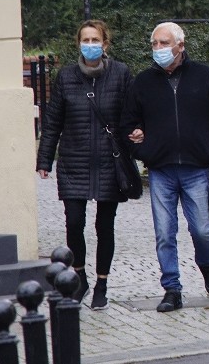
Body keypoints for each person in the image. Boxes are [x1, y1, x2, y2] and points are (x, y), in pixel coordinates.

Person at [120, 22, 209, 312]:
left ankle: (207, 265)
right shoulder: (144, 82)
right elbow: (128, 123)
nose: (158, 49)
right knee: (164, 233)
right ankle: (172, 288)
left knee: (202, 230)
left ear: (180, 46)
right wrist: (141, 148)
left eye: (164, 43)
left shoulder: (203, 75)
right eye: (154, 44)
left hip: (196, 168)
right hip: (161, 170)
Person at [36, 20, 133, 309]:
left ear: (106, 43)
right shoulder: (66, 76)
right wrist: (44, 159)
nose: (90, 44)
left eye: (95, 39)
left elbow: (131, 116)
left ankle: (102, 282)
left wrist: (137, 145)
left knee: (105, 225)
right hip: (73, 160)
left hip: (108, 162)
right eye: (85, 39)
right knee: (74, 223)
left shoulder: (121, 74)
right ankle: (79, 277)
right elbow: (53, 121)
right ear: (78, 43)